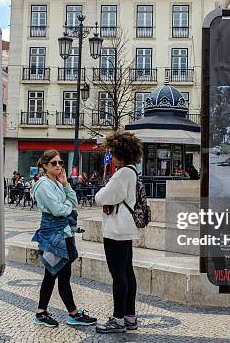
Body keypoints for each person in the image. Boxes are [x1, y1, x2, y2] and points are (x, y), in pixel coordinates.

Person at [30, 150, 97, 328]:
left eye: (60, 162)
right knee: (53, 274)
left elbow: (74, 202)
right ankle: (49, 313)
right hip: (53, 234)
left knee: (59, 274)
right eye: (54, 163)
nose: (58, 166)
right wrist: (67, 206)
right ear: (44, 166)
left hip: (64, 233)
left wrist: (66, 185)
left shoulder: (58, 183)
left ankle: (59, 313)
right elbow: (58, 210)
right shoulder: (44, 185)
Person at [93, 131, 142, 334]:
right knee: (127, 272)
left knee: (118, 274)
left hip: (116, 229)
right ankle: (129, 316)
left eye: (113, 152)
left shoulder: (122, 173)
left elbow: (100, 197)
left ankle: (119, 319)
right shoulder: (132, 170)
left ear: (120, 153)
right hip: (126, 228)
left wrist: (105, 195)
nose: (111, 156)